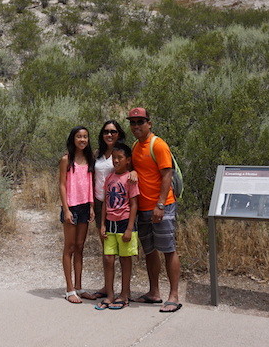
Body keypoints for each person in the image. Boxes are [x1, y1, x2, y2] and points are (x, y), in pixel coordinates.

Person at [127, 106, 182, 313]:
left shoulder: (157, 145)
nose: (136, 126)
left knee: (168, 249)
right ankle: (154, 292)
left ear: (149, 123)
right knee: (150, 250)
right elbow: (137, 168)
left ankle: (174, 296)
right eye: (133, 122)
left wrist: (160, 205)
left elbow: (167, 174)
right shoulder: (135, 145)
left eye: (140, 122)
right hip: (142, 207)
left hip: (162, 206)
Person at [95, 142, 139, 310]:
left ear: (128, 160)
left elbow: (134, 204)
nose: (116, 161)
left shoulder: (130, 178)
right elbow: (106, 201)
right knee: (108, 258)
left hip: (124, 222)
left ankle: (125, 294)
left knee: (125, 259)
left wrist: (129, 228)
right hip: (110, 223)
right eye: (114, 158)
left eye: (120, 158)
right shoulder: (110, 177)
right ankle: (110, 294)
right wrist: (103, 223)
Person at [59, 126, 95, 303]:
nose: (82, 140)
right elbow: (62, 185)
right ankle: (69, 289)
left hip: (84, 207)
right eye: (79, 137)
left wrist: (91, 206)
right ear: (73, 139)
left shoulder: (89, 159)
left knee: (80, 246)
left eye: (85, 137)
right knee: (70, 247)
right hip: (71, 207)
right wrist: (65, 209)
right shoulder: (67, 159)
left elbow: (89, 183)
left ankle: (79, 287)